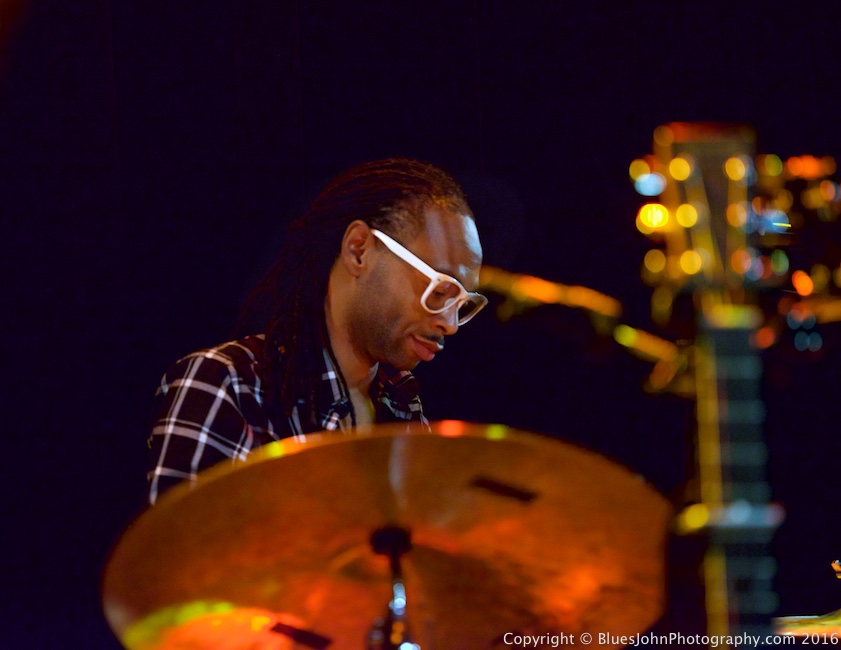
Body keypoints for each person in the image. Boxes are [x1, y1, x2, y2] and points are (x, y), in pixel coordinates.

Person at [146, 158, 487, 504]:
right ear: (359, 250)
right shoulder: (228, 384)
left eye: (462, 304)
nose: (450, 324)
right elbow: (182, 552)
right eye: (439, 291)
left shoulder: (403, 410)